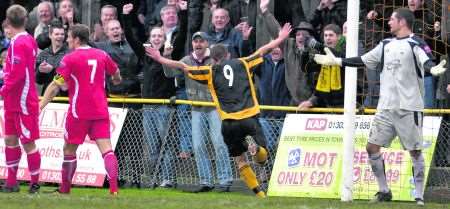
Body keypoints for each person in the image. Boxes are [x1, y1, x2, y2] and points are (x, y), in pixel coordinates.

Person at [312, 8, 447, 206]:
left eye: (392, 19)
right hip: (385, 108)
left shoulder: (415, 43)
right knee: (371, 147)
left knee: (415, 152)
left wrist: (431, 69)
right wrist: (337, 61)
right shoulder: (385, 44)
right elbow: (363, 60)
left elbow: (426, 60)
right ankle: (384, 190)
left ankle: (418, 195)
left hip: (408, 108)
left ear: (402, 22)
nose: (389, 22)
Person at [146, 22, 293, 198]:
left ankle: (260, 195)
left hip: (229, 123)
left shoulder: (209, 71)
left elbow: (182, 67)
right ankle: (256, 150)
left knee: (240, 161)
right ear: (229, 55)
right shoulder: (243, 63)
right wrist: (281, 38)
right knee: (262, 156)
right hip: (249, 118)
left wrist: (160, 58)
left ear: (213, 59)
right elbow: (263, 50)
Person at [39, 24, 122, 196]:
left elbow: (56, 85)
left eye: (69, 37)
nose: (67, 40)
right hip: (100, 110)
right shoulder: (102, 55)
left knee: (69, 150)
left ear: (76, 39)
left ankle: (65, 189)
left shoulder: (69, 59)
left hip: (79, 112)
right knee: (107, 150)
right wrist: (116, 79)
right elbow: (116, 73)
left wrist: (40, 106)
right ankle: (114, 190)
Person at [163, 31, 233, 192]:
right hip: (196, 109)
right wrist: (167, 57)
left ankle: (225, 180)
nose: (198, 44)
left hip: (215, 107)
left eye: (201, 41)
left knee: (219, 144)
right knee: (198, 145)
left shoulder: (214, 59)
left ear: (207, 43)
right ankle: (206, 181)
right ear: (192, 44)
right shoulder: (186, 60)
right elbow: (169, 74)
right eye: (196, 41)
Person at [0, 4, 41, 194]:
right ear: (25, 20)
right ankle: (11, 182)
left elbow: (17, 75)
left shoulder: (20, 43)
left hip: (22, 101)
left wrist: (3, 90)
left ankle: (34, 183)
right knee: (10, 139)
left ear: (9, 22)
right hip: (13, 101)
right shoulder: (28, 41)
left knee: (28, 142)